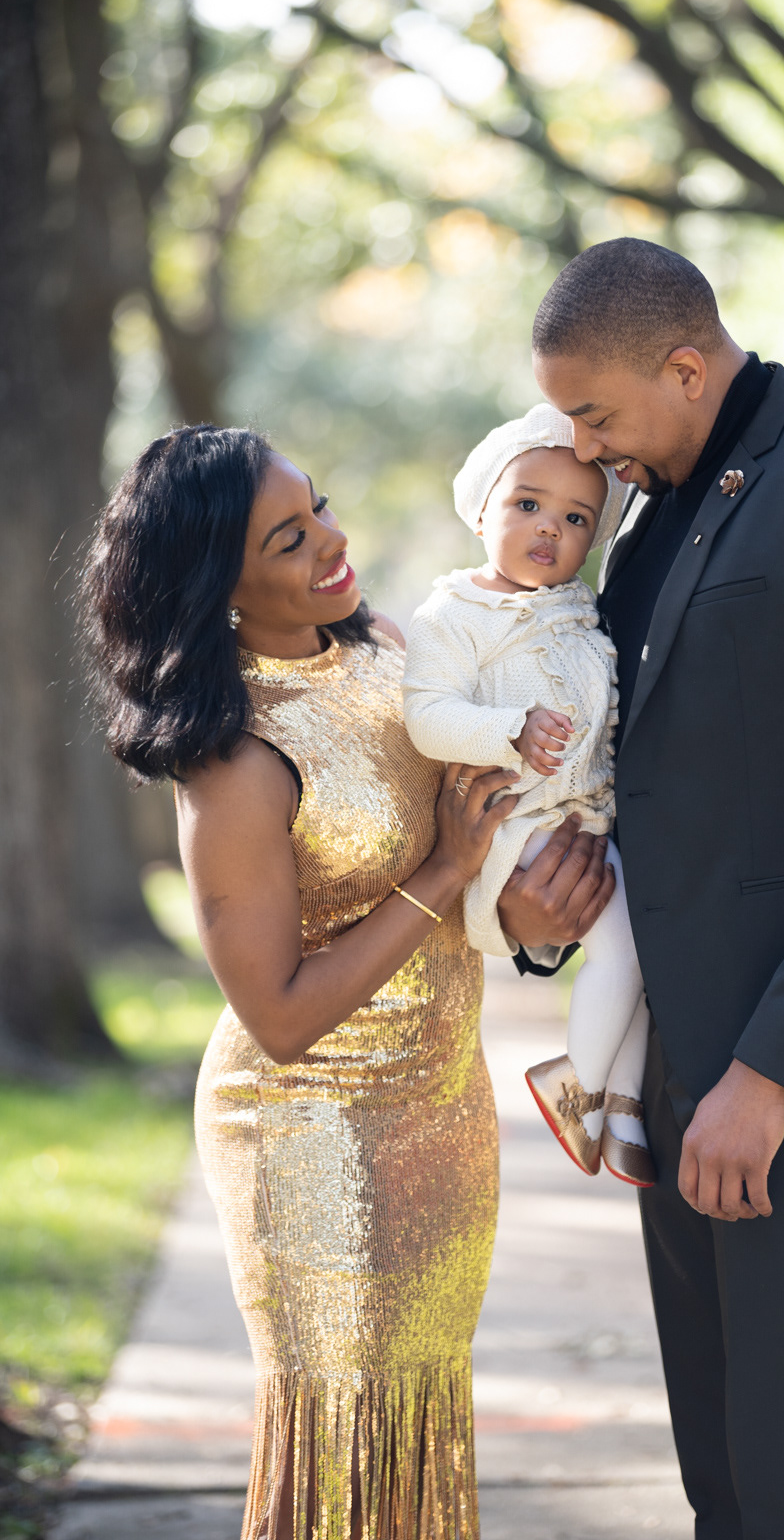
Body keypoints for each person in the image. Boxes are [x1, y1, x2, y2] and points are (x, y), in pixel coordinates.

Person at [79, 424, 615, 1540]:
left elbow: (478, 845)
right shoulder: (232, 757)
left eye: (316, 505)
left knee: (417, 1431)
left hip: (443, 1103)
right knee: (340, 1449)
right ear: (218, 588)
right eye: (287, 539)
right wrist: (446, 872)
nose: (330, 540)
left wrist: (526, 915)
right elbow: (277, 1015)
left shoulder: (387, 650)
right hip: (310, 1128)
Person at [509, 237, 784, 1540]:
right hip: (677, 1056)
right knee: (717, 1460)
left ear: (684, 367)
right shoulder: (651, 511)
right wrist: (540, 918)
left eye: (595, 414)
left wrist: (765, 1076)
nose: (582, 449)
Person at [402, 403, 654, 1186]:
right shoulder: (455, 614)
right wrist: (508, 730)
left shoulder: (580, 611)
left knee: (649, 954)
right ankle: (573, 1081)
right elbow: (426, 716)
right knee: (623, 949)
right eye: (526, 504)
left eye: (576, 518)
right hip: (519, 823)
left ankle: (622, 1108)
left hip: (583, 819)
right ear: (482, 510)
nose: (549, 526)